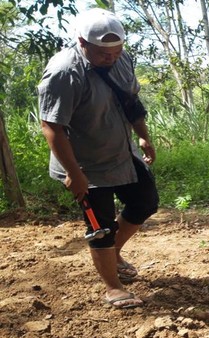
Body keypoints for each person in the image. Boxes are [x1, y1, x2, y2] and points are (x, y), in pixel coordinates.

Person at [38, 9, 159, 308]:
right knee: (100, 224)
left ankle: (112, 254)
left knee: (145, 201)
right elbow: (51, 125)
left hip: (120, 150)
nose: (112, 57)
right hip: (84, 163)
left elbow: (130, 100)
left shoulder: (122, 59)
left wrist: (143, 135)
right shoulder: (64, 72)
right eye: (104, 52)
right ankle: (113, 287)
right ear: (82, 42)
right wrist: (75, 173)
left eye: (117, 50)